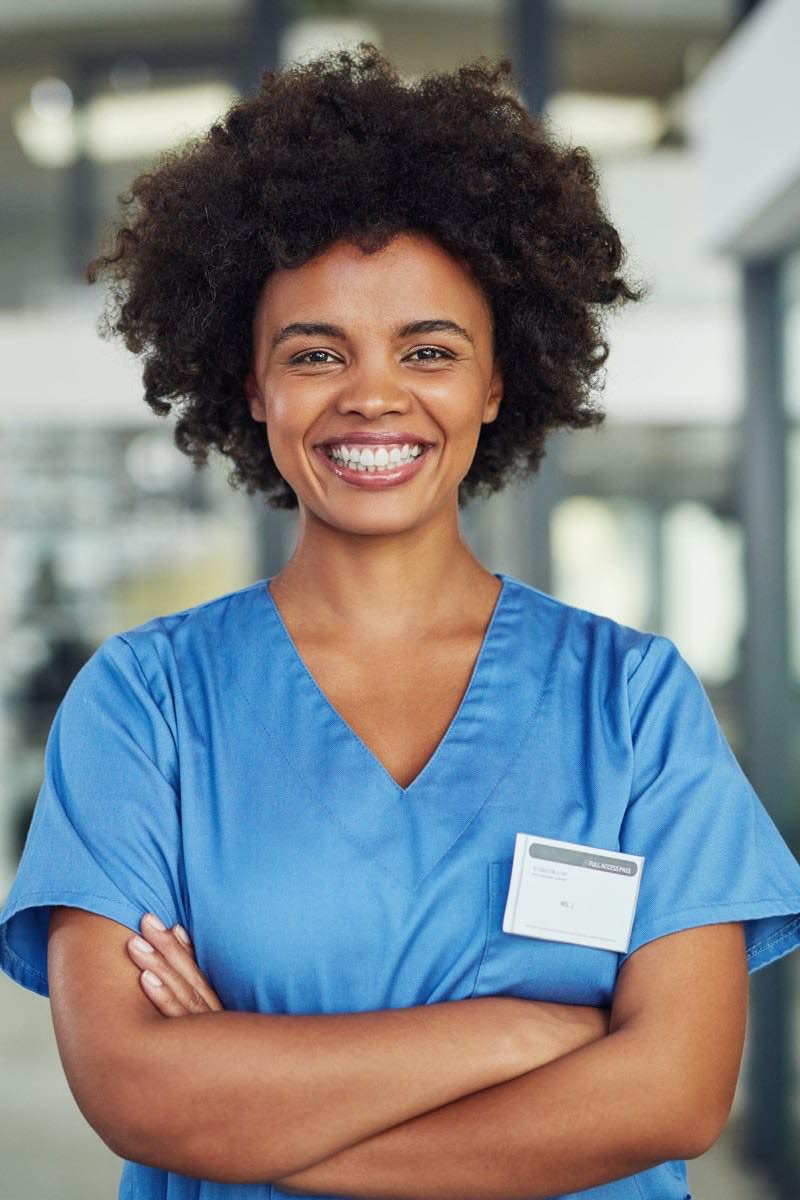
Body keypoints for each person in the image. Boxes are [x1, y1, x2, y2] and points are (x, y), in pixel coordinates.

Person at [2, 42, 799, 1200]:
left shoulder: (629, 701)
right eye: (314, 353)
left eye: (427, 350)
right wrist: (522, 1034)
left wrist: (255, 1120)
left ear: (493, 383)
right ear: (251, 387)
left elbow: (674, 1095)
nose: (373, 394)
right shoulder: (146, 701)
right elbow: (135, 1091)